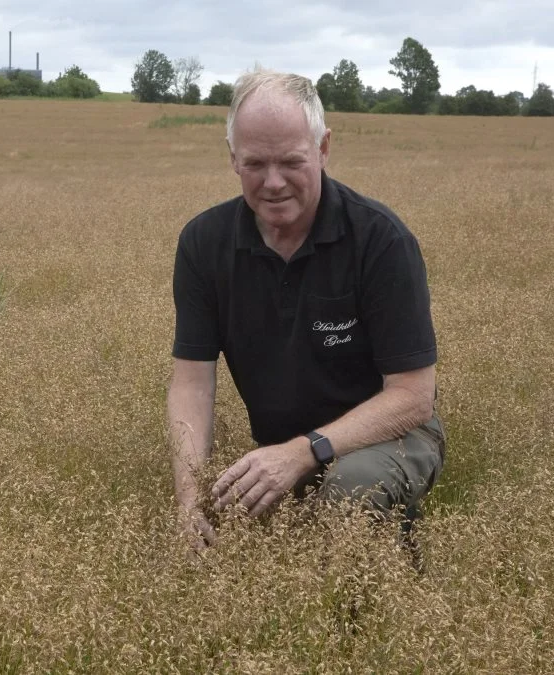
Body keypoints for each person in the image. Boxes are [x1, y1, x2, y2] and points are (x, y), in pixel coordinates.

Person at [167, 67, 444, 551]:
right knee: (222, 515)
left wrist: (304, 451)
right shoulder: (203, 244)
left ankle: (387, 594)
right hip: (285, 445)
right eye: (255, 164)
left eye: (291, 161)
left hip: (389, 432)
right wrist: (189, 499)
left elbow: (414, 397)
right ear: (232, 158)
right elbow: (192, 383)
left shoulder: (381, 240)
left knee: (351, 490)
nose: (273, 183)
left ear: (323, 149)